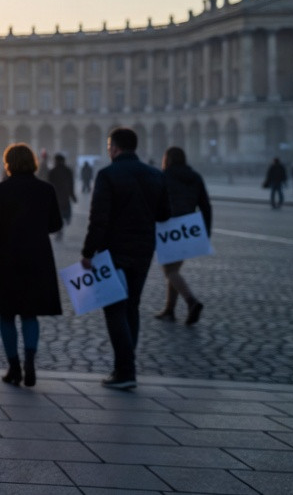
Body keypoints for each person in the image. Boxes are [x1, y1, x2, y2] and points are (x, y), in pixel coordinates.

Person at [81, 127, 171, 389]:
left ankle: (125, 371)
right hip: (143, 249)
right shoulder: (155, 174)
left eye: (109, 146)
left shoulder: (108, 174)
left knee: (113, 308)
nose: (108, 150)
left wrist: (88, 252)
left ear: (115, 148)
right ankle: (126, 368)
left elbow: (99, 217)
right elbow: (165, 214)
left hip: (114, 250)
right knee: (132, 306)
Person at [0, 144, 62, 387]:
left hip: (6, 258)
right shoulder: (46, 189)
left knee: (7, 314)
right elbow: (55, 224)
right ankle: (30, 362)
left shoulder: (0, 190)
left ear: (8, 164)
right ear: (33, 162)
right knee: (30, 313)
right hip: (37, 257)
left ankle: (13, 366)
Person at [156, 147, 211, 325]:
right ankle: (169, 310)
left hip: (169, 226)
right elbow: (205, 205)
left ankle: (191, 301)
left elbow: (155, 202)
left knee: (169, 270)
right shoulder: (195, 176)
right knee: (174, 269)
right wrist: (205, 232)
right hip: (189, 227)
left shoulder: (163, 176)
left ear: (169, 159)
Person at [46, 153, 77, 240]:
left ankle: (60, 230)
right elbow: (71, 184)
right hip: (65, 196)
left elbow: (49, 185)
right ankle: (64, 222)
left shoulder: (52, 171)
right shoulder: (68, 171)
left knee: (58, 214)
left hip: (56, 197)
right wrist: (72, 195)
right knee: (64, 213)